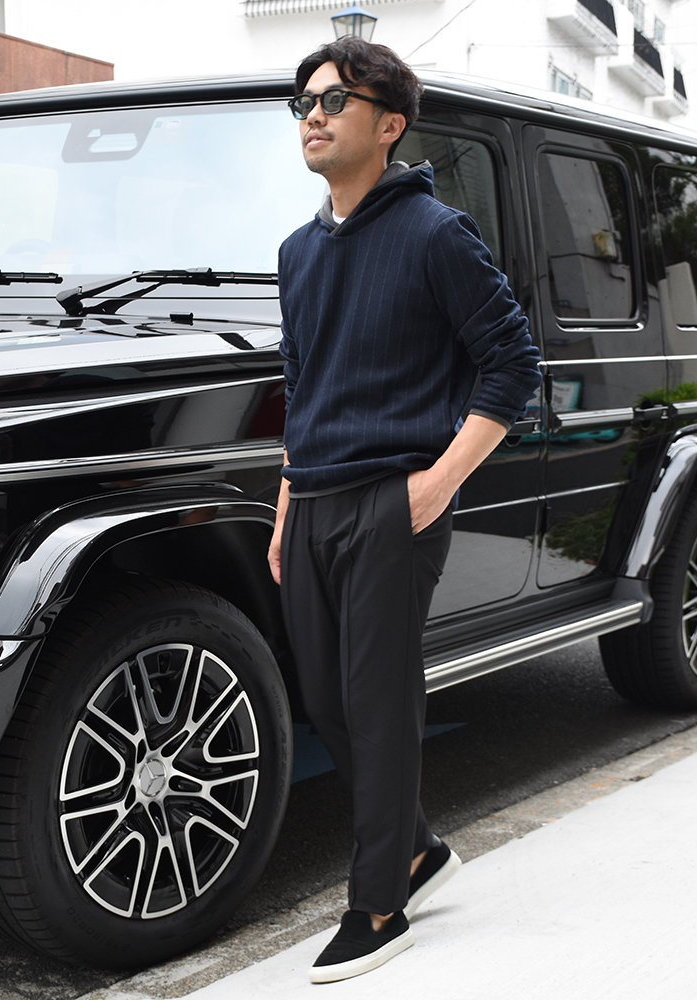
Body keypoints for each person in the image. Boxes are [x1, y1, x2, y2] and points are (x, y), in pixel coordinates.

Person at [267, 36, 542, 984]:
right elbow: (302, 387)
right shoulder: (297, 251)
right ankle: (417, 850)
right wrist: (285, 504)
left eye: (334, 100)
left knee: (378, 706)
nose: (313, 114)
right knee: (326, 699)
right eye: (304, 101)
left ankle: (379, 907)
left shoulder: (435, 233)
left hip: (395, 501)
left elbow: (513, 365)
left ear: (389, 125)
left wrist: (438, 482)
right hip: (312, 502)